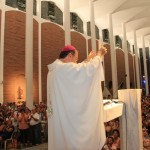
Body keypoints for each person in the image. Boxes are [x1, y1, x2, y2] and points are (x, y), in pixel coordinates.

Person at [47, 45, 107, 150]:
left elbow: (77, 69)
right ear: (70, 55)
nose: (76, 62)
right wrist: (99, 55)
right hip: (68, 121)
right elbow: (84, 70)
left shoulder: (55, 69)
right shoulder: (62, 68)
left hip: (59, 118)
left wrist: (88, 60)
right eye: (76, 59)